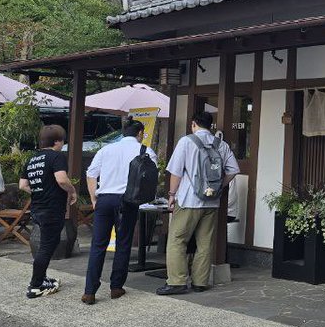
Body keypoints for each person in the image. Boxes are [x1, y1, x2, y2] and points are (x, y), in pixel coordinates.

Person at [157, 110, 239, 296]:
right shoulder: (221, 144)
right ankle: (200, 282)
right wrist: (219, 186)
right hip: (212, 202)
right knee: (205, 242)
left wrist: (171, 194)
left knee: (177, 240)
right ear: (210, 126)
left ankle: (177, 282)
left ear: (194, 124)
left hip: (188, 200)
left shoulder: (186, 141)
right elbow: (233, 169)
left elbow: (176, 172)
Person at [81, 120, 157, 305]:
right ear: (140, 133)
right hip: (128, 201)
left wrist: (93, 198)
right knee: (123, 244)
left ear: (123, 133)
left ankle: (89, 291)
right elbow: (153, 176)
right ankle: (116, 287)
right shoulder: (145, 151)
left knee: (98, 245)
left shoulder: (106, 150)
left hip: (104, 199)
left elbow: (91, 173)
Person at [19, 124, 77, 299]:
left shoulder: (31, 159)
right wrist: (72, 190)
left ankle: (42, 278)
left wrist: (39, 192)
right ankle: (35, 285)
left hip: (37, 208)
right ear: (57, 141)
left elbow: (23, 185)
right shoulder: (56, 157)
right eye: (62, 142)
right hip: (52, 208)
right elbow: (61, 180)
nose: (62, 145)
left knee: (46, 243)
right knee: (47, 246)